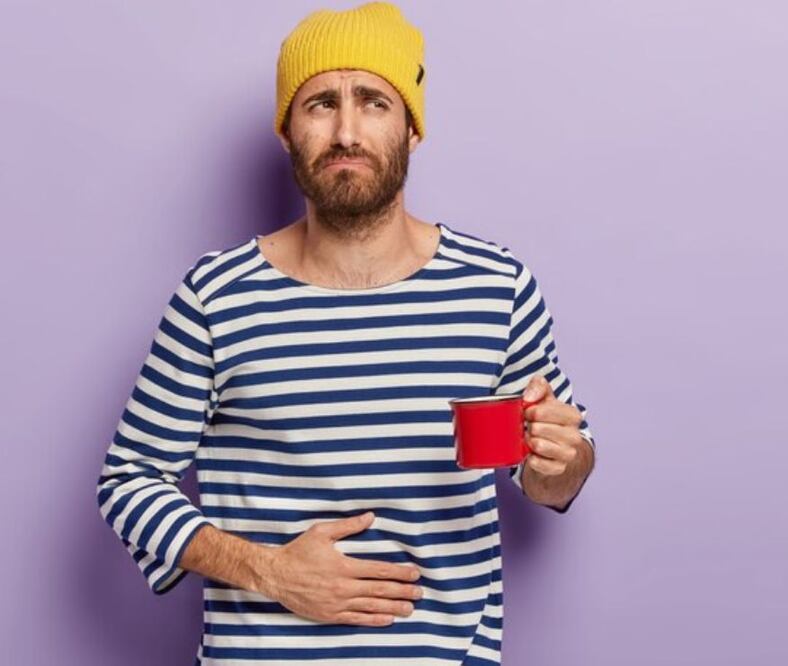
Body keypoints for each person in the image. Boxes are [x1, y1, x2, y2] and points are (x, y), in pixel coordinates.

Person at [94, 3, 596, 663]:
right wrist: (268, 571)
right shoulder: (217, 296)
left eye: (374, 102)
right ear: (287, 132)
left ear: (411, 128)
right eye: (321, 104)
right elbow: (128, 480)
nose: (347, 132)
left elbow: (554, 478)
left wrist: (561, 460)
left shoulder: (496, 288)